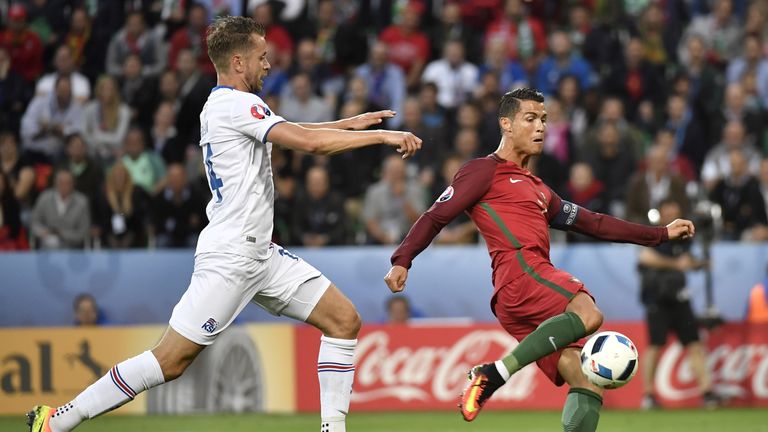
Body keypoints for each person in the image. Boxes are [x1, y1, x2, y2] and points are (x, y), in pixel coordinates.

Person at [27, 16, 420, 432]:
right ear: (238, 61)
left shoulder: (227, 105)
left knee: (343, 321)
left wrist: (346, 123)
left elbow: (297, 131)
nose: (268, 65)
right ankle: (58, 420)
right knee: (170, 360)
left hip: (262, 255)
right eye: (261, 57)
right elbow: (310, 144)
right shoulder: (237, 104)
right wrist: (382, 138)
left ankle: (332, 429)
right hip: (232, 256)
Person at [383, 88, 694, 431]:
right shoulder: (482, 171)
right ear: (506, 124)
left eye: (544, 120)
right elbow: (435, 216)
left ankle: (498, 373)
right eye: (530, 119)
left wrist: (660, 234)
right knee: (588, 312)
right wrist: (403, 259)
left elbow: (596, 223)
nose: (541, 127)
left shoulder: (540, 190)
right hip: (521, 272)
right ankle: (495, 373)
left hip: (517, 296)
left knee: (586, 381)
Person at [637, 198, 721, 410]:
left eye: (675, 210)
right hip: (657, 299)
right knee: (655, 346)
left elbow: (687, 260)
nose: (671, 214)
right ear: (661, 213)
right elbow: (645, 257)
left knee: (693, 344)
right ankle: (648, 395)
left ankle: (707, 392)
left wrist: (700, 264)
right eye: (668, 211)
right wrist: (677, 265)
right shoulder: (653, 234)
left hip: (680, 298)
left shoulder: (683, 238)